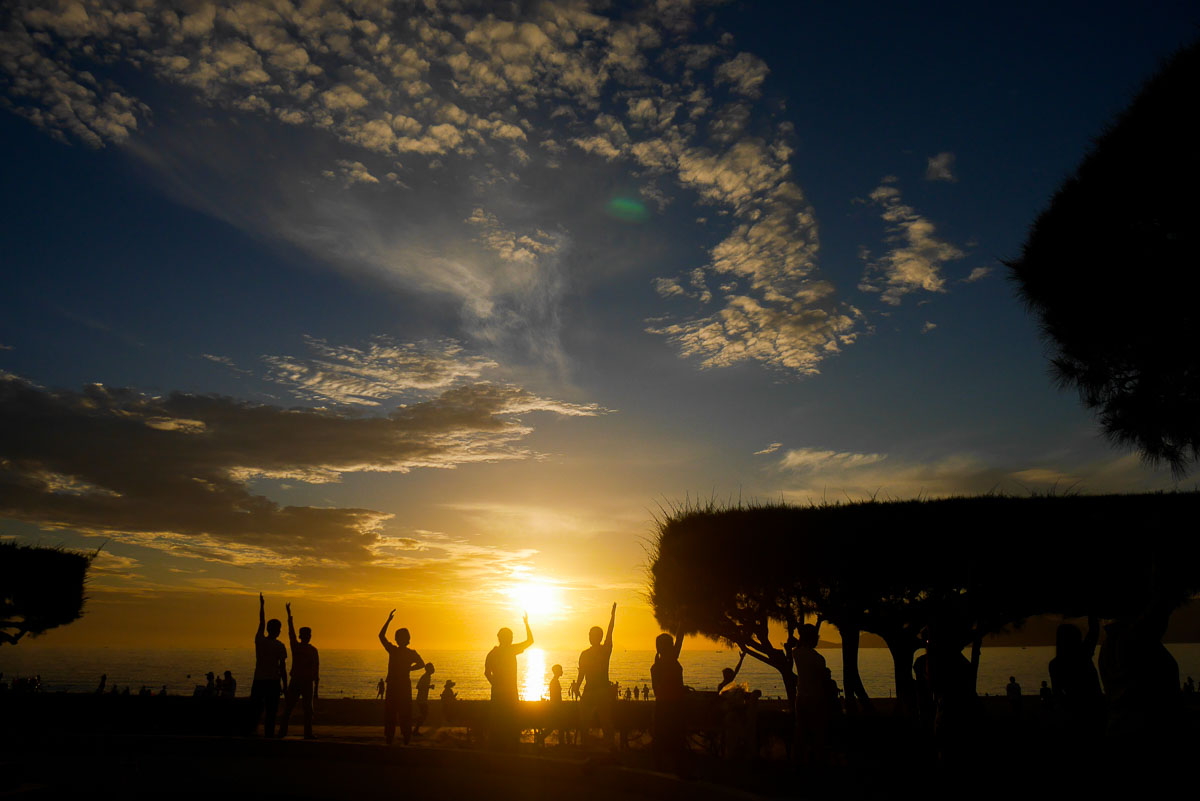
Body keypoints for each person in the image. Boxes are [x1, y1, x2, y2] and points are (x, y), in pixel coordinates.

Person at [484, 612, 533, 749]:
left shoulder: (493, 653)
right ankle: (508, 745)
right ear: (503, 638)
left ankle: (500, 745)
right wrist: (526, 624)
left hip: (501, 692)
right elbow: (530, 641)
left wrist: (495, 684)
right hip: (508, 692)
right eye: (510, 637)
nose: (511, 639)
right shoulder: (509, 650)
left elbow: (487, 673)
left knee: (500, 720)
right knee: (510, 719)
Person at [379, 609, 425, 745]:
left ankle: (395, 738)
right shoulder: (405, 652)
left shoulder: (395, 651)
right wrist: (410, 668)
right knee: (401, 713)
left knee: (395, 713)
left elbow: (381, 636)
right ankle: (402, 738)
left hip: (397, 686)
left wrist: (388, 621)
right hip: (400, 685)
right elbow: (421, 664)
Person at [1049, 617, 1103, 732]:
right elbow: (1094, 631)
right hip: (1093, 708)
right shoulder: (1083, 655)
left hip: (1071, 709)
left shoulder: (1054, 664)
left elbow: (1057, 693)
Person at [575, 603, 617, 749]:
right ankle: (594, 744)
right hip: (595, 690)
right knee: (598, 721)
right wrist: (577, 686)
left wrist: (612, 617)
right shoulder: (591, 653)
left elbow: (610, 631)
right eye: (589, 635)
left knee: (601, 721)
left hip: (597, 690)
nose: (590, 637)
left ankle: (603, 745)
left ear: (597, 637)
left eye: (591, 635)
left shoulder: (601, 651)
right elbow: (582, 672)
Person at [791, 624, 833, 766]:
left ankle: (799, 761)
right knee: (817, 731)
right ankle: (817, 761)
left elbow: (796, 646)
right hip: (816, 698)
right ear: (812, 638)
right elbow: (823, 678)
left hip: (800, 697)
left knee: (801, 731)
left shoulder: (796, 653)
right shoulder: (818, 658)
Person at [279, 602, 319, 739]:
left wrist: (317, 688)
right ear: (302, 636)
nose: (309, 636)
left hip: (306, 682)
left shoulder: (313, 650)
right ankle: (283, 732)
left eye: (309, 634)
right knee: (290, 707)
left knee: (308, 709)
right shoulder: (296, 646)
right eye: (307, 634)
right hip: (297, 681)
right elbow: (291, 632)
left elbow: (316, 669)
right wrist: (289, 616)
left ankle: (307, 733)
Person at [251, 593, 288, 737]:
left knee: (256, 708)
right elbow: (283, 668)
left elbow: (261, 621)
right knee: (271, 711)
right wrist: (285, 685)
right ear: (278, 630)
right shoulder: (280, 646)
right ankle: (269, 734)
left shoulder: (259, 640)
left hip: (259, 680)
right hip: (272, 681)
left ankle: (253, 731)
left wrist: (262, 605)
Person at [651, 630, 686, 772]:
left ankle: (661, 767)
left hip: (662, 705)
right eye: (671, 644)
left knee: (661, 738)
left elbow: (656, 690)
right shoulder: (671, 660)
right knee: (675, 738)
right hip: (673, 705)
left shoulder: (656, 666)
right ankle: (674, 768)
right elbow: (680, 640)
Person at [413, 662, 434, 737]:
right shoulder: (425, 677)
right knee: (424, 714)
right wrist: (429, 687)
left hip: (423, 699)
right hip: (421, 699)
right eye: (432, 668)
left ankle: (414, 727)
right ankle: (413, 725)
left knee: (424, 714)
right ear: (428, 669)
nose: (433, 669)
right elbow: (418, 686)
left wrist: (429, 686)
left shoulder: (427, 677)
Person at [548, 664, 567, 746]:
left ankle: (562, 743)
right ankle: (562, 743)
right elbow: (556, 697)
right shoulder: (554, 682)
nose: (562, 671)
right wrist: (558, 707)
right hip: (556, 707)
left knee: (558, 726)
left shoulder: (555, 681)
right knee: (559, 725)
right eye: (560, 670)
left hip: (556, 707)